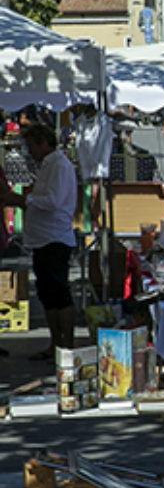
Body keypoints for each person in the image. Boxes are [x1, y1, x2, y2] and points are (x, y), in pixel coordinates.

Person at [4, 124, 77, 357]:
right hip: (43, 238)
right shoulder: (50, 165)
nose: (30, 152)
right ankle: (55, 344)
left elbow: (53, 202)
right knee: (48, 295)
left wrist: (26, 199)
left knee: (58, 293)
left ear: (43, 142)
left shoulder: (59, 165)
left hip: (54, 238)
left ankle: (65, 346)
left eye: (31, 146)